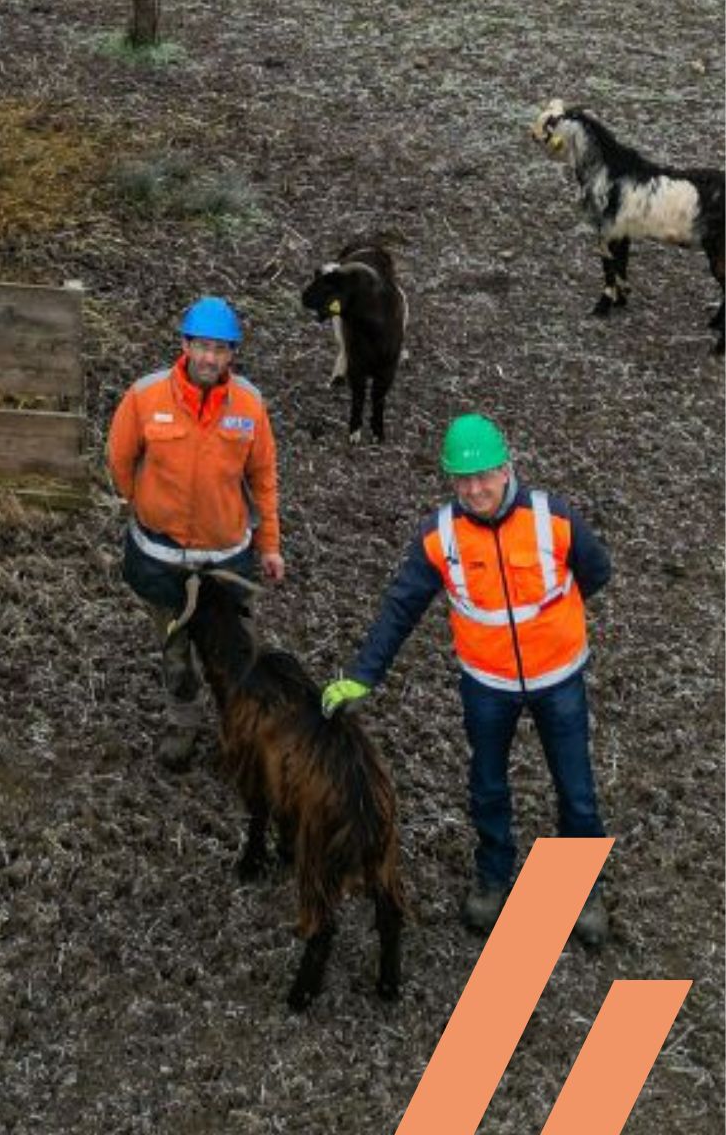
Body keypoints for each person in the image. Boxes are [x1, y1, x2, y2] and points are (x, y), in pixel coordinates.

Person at [322, 412, 612, 944]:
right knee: (487, 785)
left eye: (484, 476)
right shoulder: (440, 536)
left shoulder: (554, 519)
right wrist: (363, 675)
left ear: (507, 470)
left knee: (576, 790)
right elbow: (401, 608)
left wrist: (553, 631)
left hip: (559, 681)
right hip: (486, 686)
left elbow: (597, 571)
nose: (475, 489)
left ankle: (581, 892)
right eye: (463, 479)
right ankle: (493, 878)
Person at [108, 296, 284, 772]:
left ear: (232, 355)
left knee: (235, 652)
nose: (210, 358)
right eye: (202, 346)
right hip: (161, 559)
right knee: (175, 649)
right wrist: (148, 503)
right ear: (185, 345)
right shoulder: (145, 397)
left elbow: (263, 478)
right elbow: (120, 461)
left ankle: (239, 731)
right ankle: (182, 722)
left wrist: (269, 545)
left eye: (221, 349)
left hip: (226, 561)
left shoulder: (249, 405)